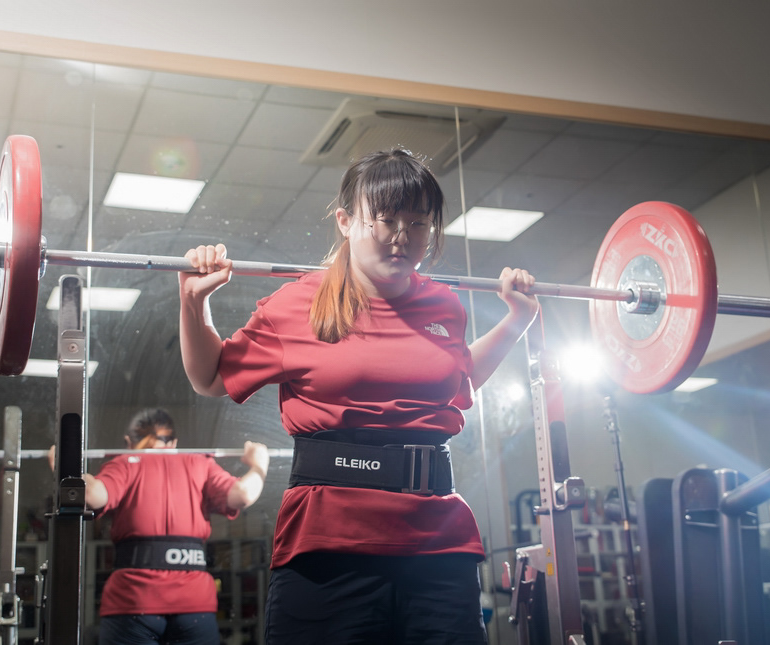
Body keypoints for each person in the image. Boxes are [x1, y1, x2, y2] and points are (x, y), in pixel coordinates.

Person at [178, 149, 539, 644]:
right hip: (329, 545)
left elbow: (459, 381)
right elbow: (211, 378)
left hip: (436, 542)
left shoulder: (443, 305)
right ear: (346, 221)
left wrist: (518, 320)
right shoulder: (297, 304)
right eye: (385, 219)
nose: (402, 236)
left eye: (418, 223)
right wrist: (194, 303)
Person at [73, 407, 270, 645]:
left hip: (134, 602)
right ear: (174, 442)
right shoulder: (200, 464)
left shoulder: (125, 463)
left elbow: (91, 494)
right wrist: (259, 465)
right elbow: (243, 494)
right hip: (193, 604)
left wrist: (66, 468)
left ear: (128, 442)